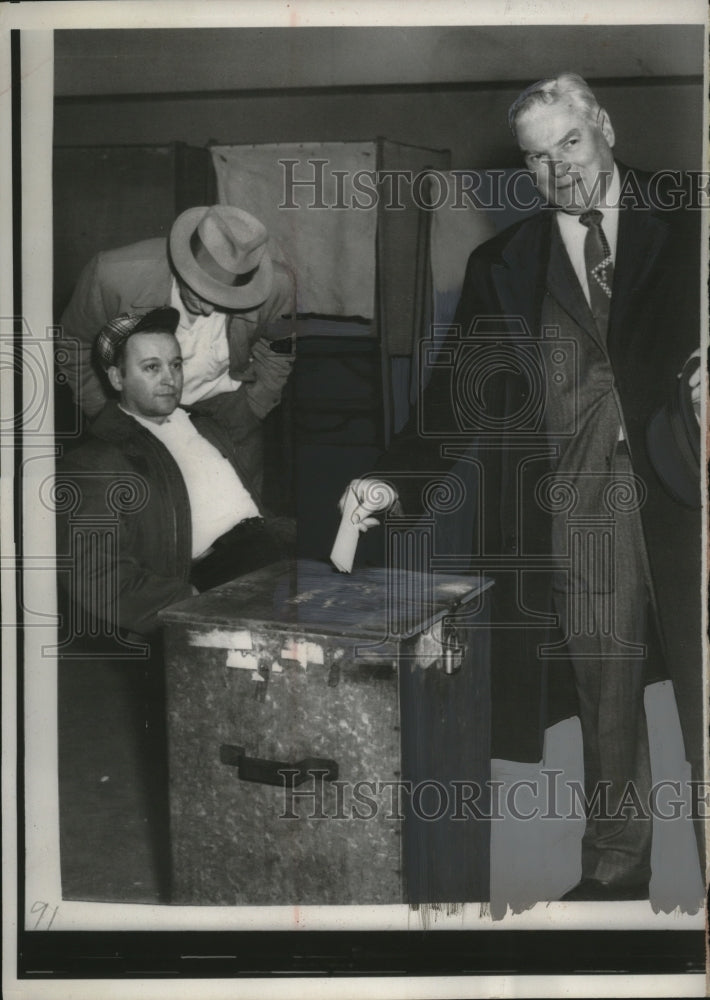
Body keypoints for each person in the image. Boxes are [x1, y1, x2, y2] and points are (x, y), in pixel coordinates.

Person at [341, 73, 702, 900]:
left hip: (692, 496)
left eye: (570, 143)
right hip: (585, 511)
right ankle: (615, 866)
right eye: (537, 161)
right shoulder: (504, 264)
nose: (560, 172)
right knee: (605, 695)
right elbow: (453, 398)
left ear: (604, 128)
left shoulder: (689, 221)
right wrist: (389, 483)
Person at [56, 306, 294, 639]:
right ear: (116, 377)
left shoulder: (206, 424)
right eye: (151, 367)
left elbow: (248, 505)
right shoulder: (99, 458)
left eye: (176, 364)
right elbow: (94, 573)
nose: (170, 378)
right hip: (222, 580)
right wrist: (187, 603)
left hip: (276, 557)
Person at [57, 204, 296, 488]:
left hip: (229, 409)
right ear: (183, 262)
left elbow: (278, 348)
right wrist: (100, 409)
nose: (208, 309)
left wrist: (254, 406)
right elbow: (73, 344)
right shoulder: (112, 275)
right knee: (144, 514)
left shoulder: (278, 287)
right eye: (199, 289)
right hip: (137, 409)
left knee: (241, 517)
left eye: (224, 297)